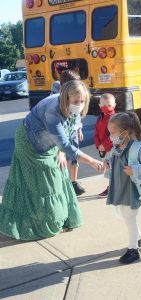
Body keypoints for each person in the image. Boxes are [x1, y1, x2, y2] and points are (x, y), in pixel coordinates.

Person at [0, 80, 103, 241]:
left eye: (83, 101)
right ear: (65, 99)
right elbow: (66, 143)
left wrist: (60, 152)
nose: (80, 105)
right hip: (30, 143)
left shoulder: (70, 107)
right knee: (46, 186)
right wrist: (92, 161)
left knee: (58, 177)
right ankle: (46, 224)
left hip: (50, 142)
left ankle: (61, 218)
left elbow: (69, 129)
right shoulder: (52, 112)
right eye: (76, 102)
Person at [104, 112, 141, 264]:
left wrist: (135, 169)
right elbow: (114, 161)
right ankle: (138, 238)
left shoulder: (138, 148)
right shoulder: (117, 147)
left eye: (112, 133)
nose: (110, 136)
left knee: (130, 218)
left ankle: (133, 250)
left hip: (131, 190)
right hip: (120, 188)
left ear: (124, 132)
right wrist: (108, 163)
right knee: (127, 217)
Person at [60, 70, 85, 195]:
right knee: (62, 159)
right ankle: (63, 184)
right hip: (62, 133)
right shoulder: (59, 98)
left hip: (73, 132)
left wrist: (79, 128)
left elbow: (78, 115)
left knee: (74, 157)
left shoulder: (77, 96)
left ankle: (74, 182)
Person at [94, 93, 116, 197]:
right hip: (104, 149)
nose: (107, 108)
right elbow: (96, 132)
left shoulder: (115, 118)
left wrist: (105, 145)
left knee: (113, 168)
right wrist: (98, 145)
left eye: (110, 105)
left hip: (113, 149)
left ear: (114, 105)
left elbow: (115, 134)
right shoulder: (99, 118)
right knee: (109, 168)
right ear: (99, 106)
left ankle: (112, 188)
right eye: (104, 105)